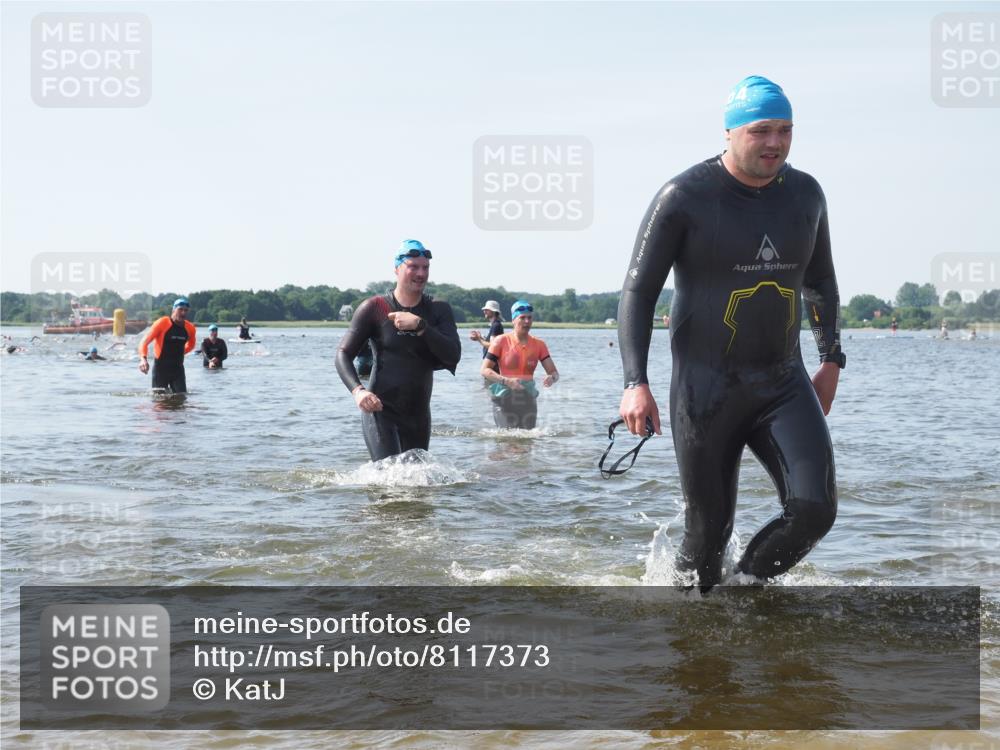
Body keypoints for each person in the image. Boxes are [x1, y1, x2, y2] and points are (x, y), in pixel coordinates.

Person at [617, 75, 845, 591]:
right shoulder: (684, 197)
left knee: (814, 509)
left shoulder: (807, 194)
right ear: (729, 132)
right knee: (707, 535)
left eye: (785, 130)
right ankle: (694, 615)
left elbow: (822, 280)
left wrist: (831, 359)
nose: (775, 143)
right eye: (762, 130)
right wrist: (635, 381)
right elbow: (637, 292)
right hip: (706, 389)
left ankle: (742, 592)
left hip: (782, 382)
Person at [335, 239, 461, 460]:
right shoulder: (374, 308)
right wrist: (358, 391)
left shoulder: (438, 310)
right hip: (380, 411)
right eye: (413, 266)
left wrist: (421, 326)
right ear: (397, 268)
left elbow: (453, 355)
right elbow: (343, 355)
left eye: (425, 267)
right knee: (388, 479)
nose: (421, 273)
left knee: (416, 485)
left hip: (418, 415)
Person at [480, 300, 559, 429]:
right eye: (522, 318)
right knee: (509, 441)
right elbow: (484, 370)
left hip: (528, 398)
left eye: (529, 318)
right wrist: (507, 381)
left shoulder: (539, 345)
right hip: (503, 397)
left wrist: (552, 378)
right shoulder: (501, 341)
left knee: (527, 442)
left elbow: (554, 373)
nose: (527, 321)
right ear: (513, 320)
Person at [138, 297, 197, 393]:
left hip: (178, 369)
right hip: (161, 368)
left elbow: (191, 345)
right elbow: (144, 342)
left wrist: (180, 352)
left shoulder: (190, 328)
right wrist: (143, 359)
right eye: (180, 309)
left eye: (186, 310)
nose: (183, 313)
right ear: (174, 309)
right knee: (159, 401)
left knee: (181, 398)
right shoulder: (162, 323)